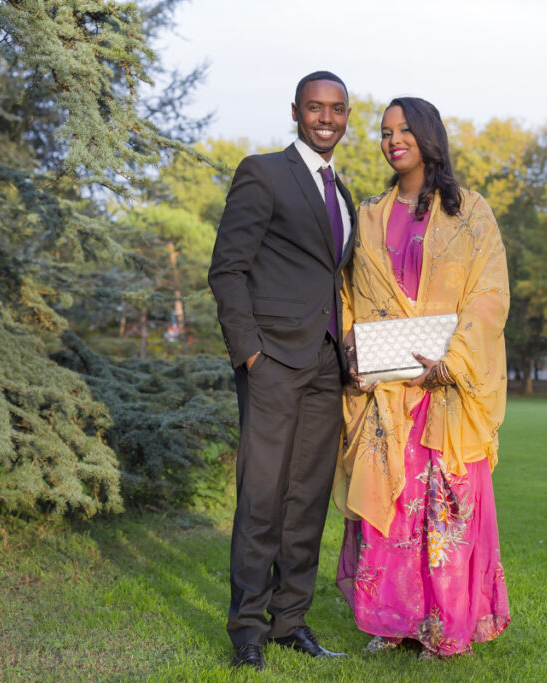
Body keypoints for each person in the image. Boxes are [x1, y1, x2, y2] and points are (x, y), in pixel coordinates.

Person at [333, 97, 510, 659]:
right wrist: (353, 355)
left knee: (447, 506)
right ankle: (393, 621)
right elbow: (348, 295)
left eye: (405, 130)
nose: (392, 140)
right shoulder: (368, 214)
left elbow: (489, 296)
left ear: (429, 136)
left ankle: (445, 626)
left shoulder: (471, 212)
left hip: (446, 388)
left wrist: (452, 362)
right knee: (394, 504)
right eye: (385, 132)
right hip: (387, 393)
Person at [208, 71, 357, 671]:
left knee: (308, 498)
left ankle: (290, 620)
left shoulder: (341, 191)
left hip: (326, 365)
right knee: (263, 497)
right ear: (295, 111)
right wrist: (249, 353)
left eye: (338, 109)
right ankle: (246, 628)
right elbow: (227, 269)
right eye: (316, 108)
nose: (327, 118)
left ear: (347, 116)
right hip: (271, 360)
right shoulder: (262, 172)